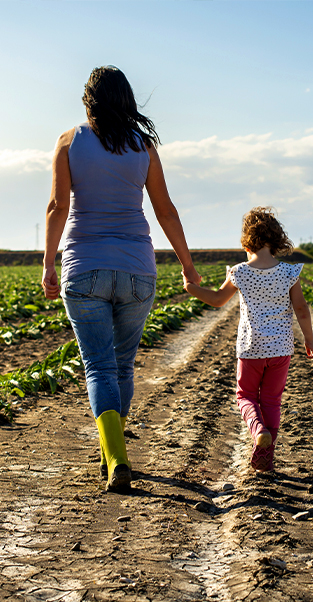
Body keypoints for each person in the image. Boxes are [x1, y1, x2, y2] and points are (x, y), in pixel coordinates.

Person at [42, 65, 201, 490]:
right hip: (136, 269)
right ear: (127, 100)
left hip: (84, 267)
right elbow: (166, 210)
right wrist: (187, 264)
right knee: (122, 365)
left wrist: (47, 263)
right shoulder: (143, 146)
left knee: (97, 367)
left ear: (88, 100)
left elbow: (58, 207)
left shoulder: (69, 141)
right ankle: (114, 452)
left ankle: (115, 457)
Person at [183, 207, 313, 472]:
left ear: (247, 241)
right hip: (281, 349)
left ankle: (257, 430)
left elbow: (218, 300)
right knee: (271, 401)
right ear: (277, 240)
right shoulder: (290, 273)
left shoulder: (239, 272)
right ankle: (265, 456)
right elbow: (301, 309)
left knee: (245, 396)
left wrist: (192, 288)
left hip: (251, 347)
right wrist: (309, 339)